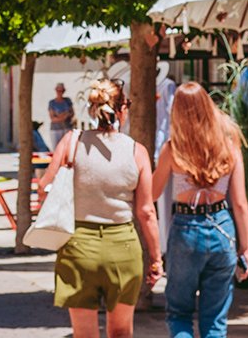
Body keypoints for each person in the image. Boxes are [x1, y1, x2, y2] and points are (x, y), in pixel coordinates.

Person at [38, 79, 162, 338]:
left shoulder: (72, 142)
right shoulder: (136, 151)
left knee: (84, 334)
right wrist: (156, 258)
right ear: (122, 109)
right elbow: (146, 212)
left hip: (78, 245)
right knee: (121, 332)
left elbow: (43, 187)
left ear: (93, 108)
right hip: (123, 247)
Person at [152, 82, 248, 337]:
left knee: (179, 313)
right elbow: (240, 203)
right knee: (215, 318)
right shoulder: (229, 145)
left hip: (186, 228)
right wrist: (245, 248)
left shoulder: (172, 149)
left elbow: (152, 193)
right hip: (222, 227)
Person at [49, 82, 75, 151]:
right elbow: (53, 118)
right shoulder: (52, 103)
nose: (60, 92)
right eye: (58, 90)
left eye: (61, 91)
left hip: (66, 128)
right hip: (55, 129)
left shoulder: (67, 101)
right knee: (56, 149)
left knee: (67, 149)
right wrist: (65, 115)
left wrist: (59, 115)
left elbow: (72, 113)